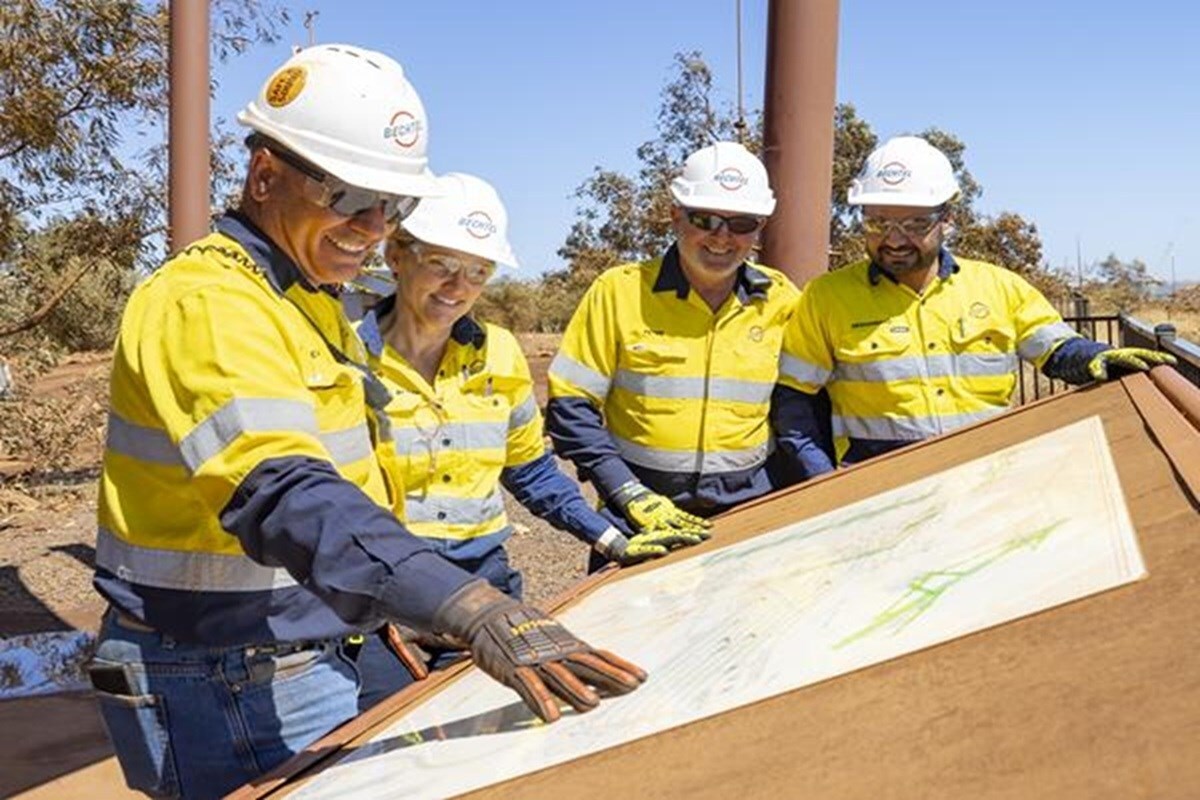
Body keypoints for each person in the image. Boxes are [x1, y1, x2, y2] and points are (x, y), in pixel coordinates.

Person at [88, 44, 644, 800]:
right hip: (224, 674)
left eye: (395, 206)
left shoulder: (313, 300)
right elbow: (284, 491)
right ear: (264, 177)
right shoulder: (211, 302)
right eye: (351, 198)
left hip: (307, 644)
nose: (375, 227)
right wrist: (467, 604)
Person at [353, 172, 669, 710]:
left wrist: (610, 537)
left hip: (485, 583)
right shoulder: (346, 356)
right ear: (397, 254)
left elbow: (530, 469)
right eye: (442, 265)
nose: (458, 288)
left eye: (477, 273)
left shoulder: (499, 353)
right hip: (382, 597)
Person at [773, 135, 1176, 477]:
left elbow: (1058, 350)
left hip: (990, 481)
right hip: (883, 493)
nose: (893, 239)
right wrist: (826, 485)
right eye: (878, 223)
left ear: (947, 217)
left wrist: (1100, 358)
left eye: (913, 224)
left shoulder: (999, 288)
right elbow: (795, 403)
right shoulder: (825, 298)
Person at [546, 141, 800, 572]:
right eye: (705, 219)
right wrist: (628, 493)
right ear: (675, 215)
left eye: (741, 223)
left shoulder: (782, 301)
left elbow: (803, 411)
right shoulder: (620, 292)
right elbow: (571, 410)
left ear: (759, 229)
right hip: (638, 515)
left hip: (747, 514)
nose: (722, 237)